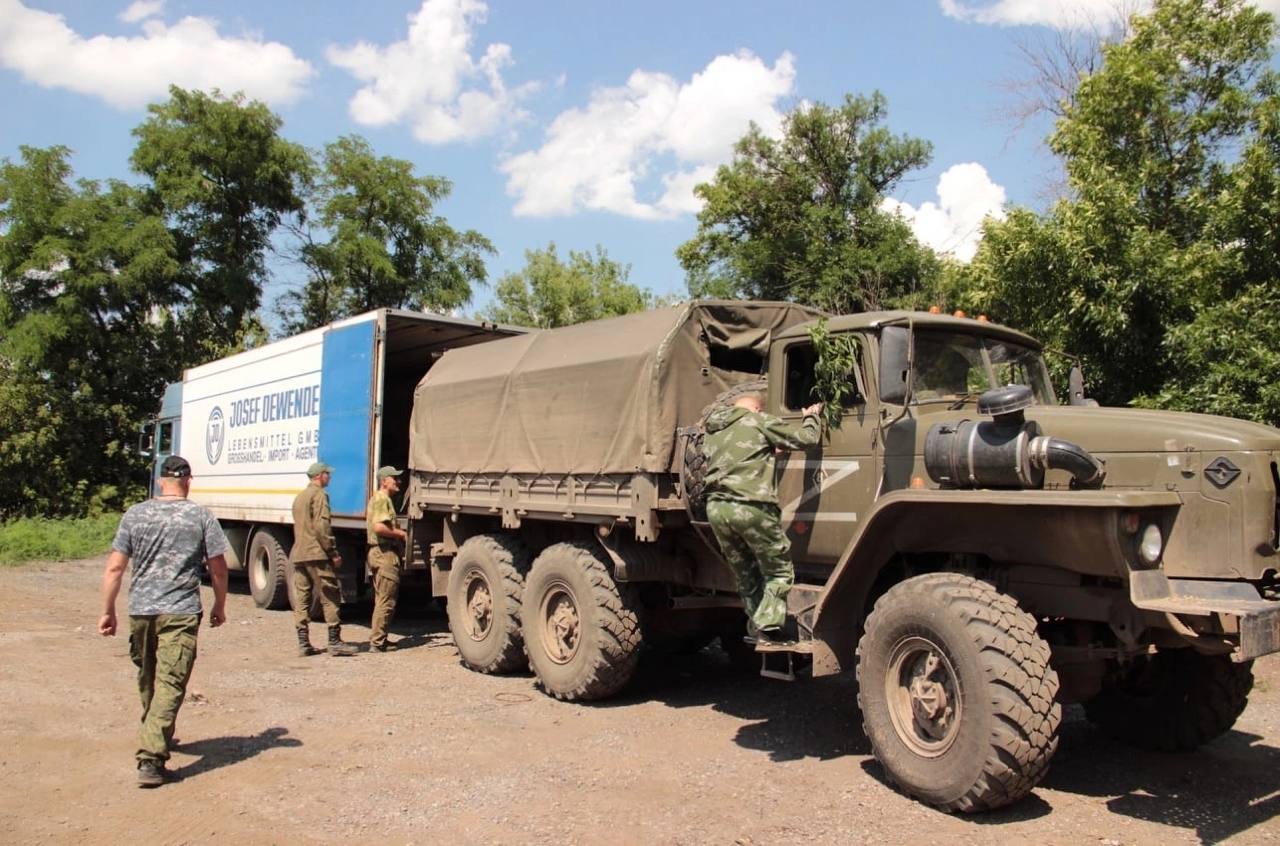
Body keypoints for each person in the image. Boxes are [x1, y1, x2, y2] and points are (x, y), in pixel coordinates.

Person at [98, 454, 229, 788]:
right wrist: (220, 604)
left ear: (160, 481)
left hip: (141, 610)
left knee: (148, 676)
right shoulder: (200, 516)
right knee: (171, 681)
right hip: (180, 611)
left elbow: (115, 567)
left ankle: (153, 732)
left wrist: (108, 609)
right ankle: (151, 759)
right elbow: (217, 567)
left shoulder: (136, 513)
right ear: (188, 480)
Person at [703, 393, 824, 641]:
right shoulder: (758, 421)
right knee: (778, 571)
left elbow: (738, 457)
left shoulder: (714, 430)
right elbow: (807, 439)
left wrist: (767, 451)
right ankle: (770, 628)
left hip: (717, 508)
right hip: (751, 506)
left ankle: (757, 623)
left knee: (745, 571)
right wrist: (811, 417)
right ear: (756, 408)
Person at [291, 461, 357, 657]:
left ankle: (303, 643)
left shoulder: (300, 497)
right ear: (319, 475)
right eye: (328, 474)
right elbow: (322, 527)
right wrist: (333, 552)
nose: (330, 477)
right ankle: (334, 641)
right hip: (317, 553)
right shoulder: (319, 495)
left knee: (303, 598)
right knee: (330, 595)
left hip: (299, 553)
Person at [366, 466, 408, 652]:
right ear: (384, 481)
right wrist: (400, 534)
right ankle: (377, 642)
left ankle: (379, 638)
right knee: (386, 600)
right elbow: (379, 528)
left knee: (381, 599)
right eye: (394, 478)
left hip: (380, 553)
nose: (398, 482)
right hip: (384, 554)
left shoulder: (382, 499)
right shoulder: (382, 500)